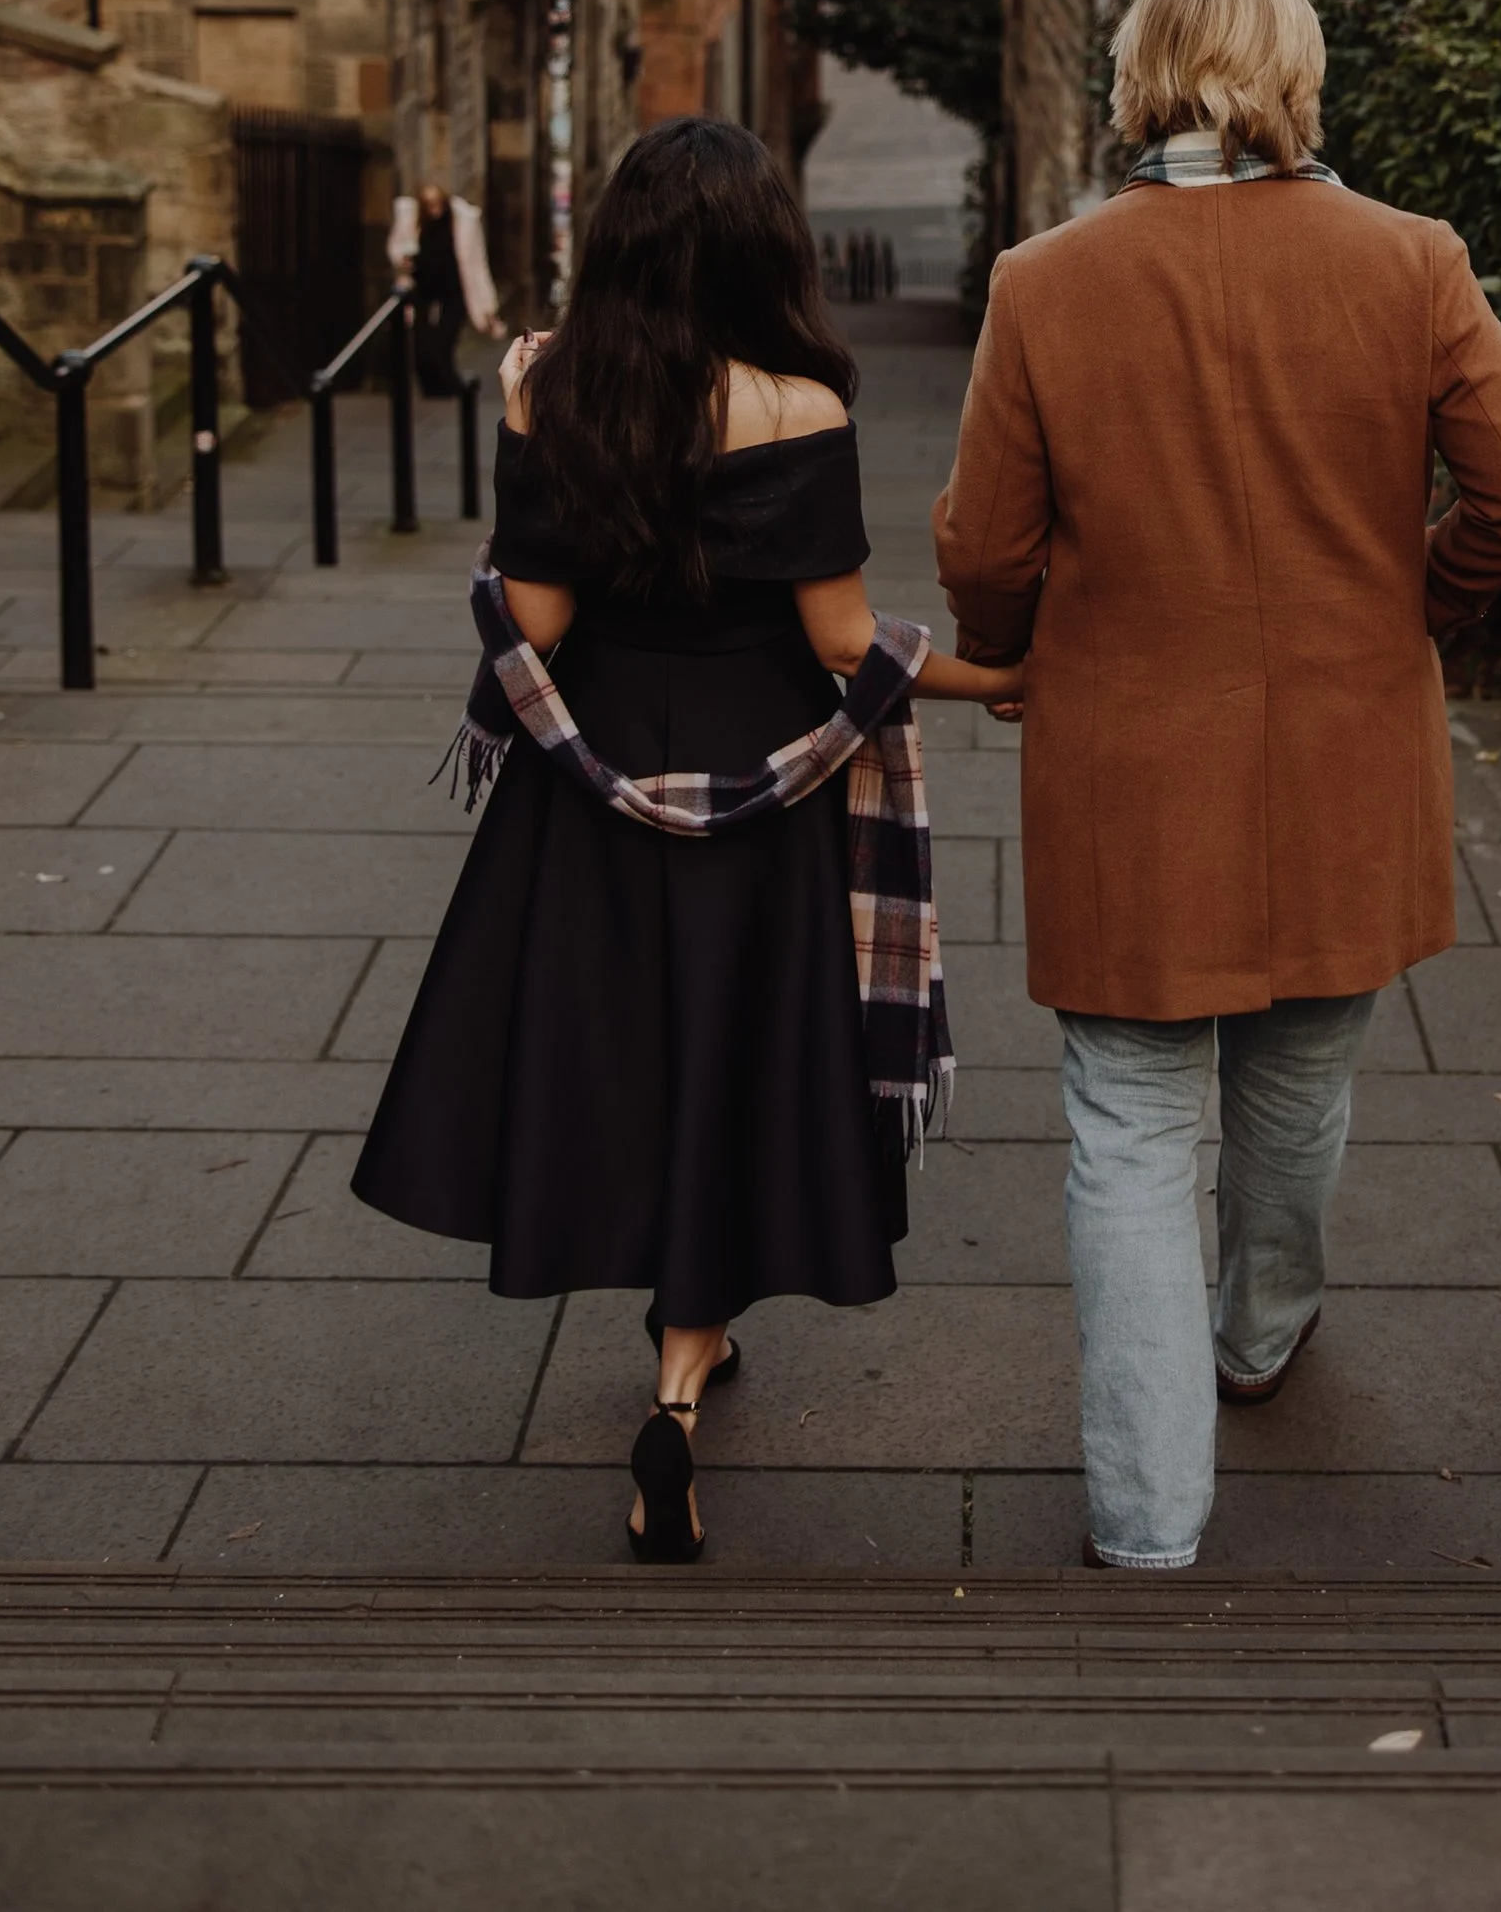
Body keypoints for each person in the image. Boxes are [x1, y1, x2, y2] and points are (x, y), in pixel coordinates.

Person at [933, 0, 1501, 1572]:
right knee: (1300, 1077)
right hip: (1344, 765)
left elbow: (988, 547)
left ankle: (1150, 1523)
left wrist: (1009, 652)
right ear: (1294, 72)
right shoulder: (1410, 260)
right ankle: (1260, 1335)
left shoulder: (1044, 284)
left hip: (1133, 777)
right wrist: (1404, 605)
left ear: (1140, 73)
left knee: (1132, 1130)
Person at [352, 115, 1022, 1563]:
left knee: (627, 1064)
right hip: (762, 789)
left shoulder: (548, 391)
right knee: (726, 1069)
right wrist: (990, 677)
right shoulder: (801, 407)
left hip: (588, 791)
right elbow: (846, 643)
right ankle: (677, 1380)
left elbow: (530, 623)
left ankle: (675, 1356)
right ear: (763, 248)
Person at [388, 181, 502, 399]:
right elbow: (396, 247)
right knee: (421, 344)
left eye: (437, 203)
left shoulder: (462, 222)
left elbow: (477, 263)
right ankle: (432, 388)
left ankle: (455, 387)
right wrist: (404, 258)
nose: (434, 210)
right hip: (422, 290)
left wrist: (488, 304)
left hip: (453, 291)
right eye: (429, 205)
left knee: (443, 342)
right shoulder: (413, 222)